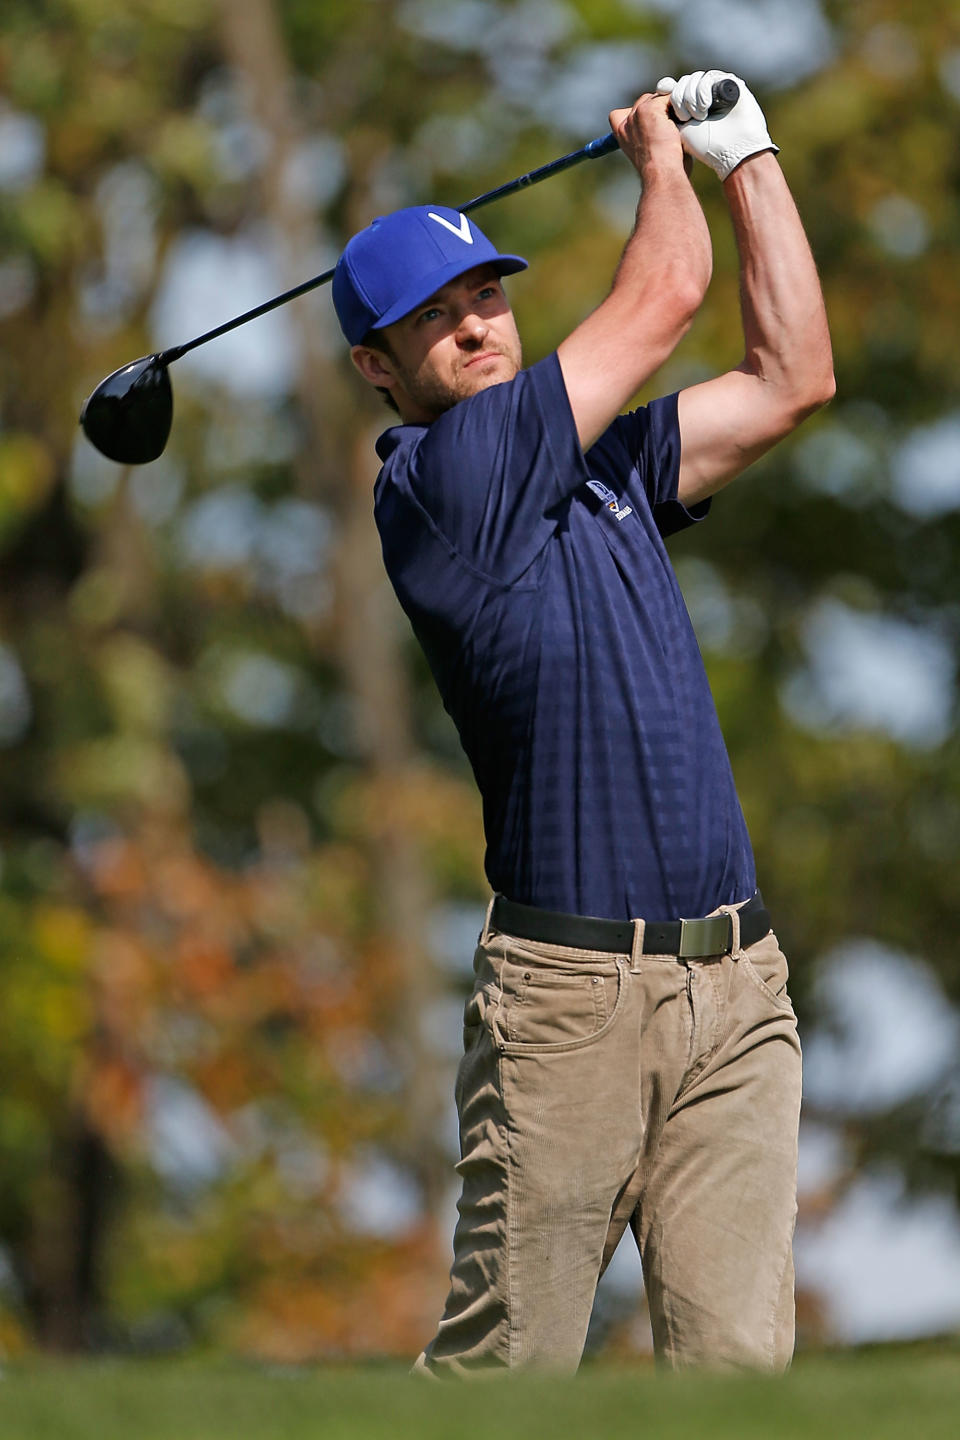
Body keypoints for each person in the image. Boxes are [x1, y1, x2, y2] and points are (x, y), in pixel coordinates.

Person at [333, 70, 834, 1374]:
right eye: (433, 321)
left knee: (739, 1391)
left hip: (738, 989)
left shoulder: (595, 463)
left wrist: (751, 162)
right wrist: (663, 160)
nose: (476, 328)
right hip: (568, 1012)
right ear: (377, 368)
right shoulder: (444, 483)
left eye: (485, 295)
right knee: (506, 1374)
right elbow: (665, 296)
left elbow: (791, 379)